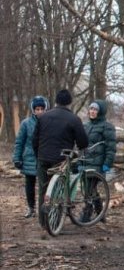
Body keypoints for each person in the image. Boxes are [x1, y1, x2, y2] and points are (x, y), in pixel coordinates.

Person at [33, 89, 88, 217]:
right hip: (61, 160)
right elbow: (83, 142)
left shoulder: (43, 117)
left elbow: (34, 140)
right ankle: (55, 221)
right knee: (59, 190)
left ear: (56, 101)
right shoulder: (74, 119)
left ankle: (43, 221)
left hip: (43, 158)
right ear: (69, 102)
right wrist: (80, 149)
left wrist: (38, 155)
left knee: (43, 189)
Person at [12, 96, 48, 217]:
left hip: (44, 158)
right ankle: (31, 208)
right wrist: (17, 158)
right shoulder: (26, 123)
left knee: (45, 185)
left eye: (42, 109)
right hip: (29, 158)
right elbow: (19, 142)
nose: (39, 111)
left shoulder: (49, 122)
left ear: (45, 109)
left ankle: (45, 208)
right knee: (29, 185)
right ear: (33, 110)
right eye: (37, 109)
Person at [81, 100, 117, 221]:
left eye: (95, 109)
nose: (92, 111)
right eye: (91, 108)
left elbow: (111, 148)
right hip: (85, 162)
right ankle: (100, 213)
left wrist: (107, 163)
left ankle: (87, 213)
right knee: (89, 189)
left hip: (98, 164)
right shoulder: (85, 126)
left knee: (89, 190)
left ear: (100, 112)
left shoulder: (107, 127)